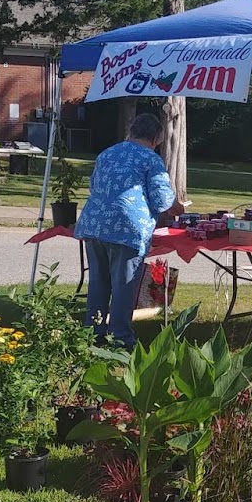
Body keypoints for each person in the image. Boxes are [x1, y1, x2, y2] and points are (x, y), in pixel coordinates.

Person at [73, 113, 184, 347]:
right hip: (126, 229)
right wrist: (179, 208)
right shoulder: (150, 159)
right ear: (155, 138)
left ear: (131, 131)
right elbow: (163, 200)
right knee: (124, 286)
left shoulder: (107, 154)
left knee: (98, 284)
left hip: (94, 225)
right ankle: (120, 339)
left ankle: (93, 336)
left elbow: (94, 186)